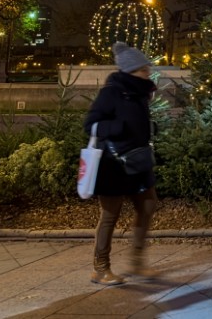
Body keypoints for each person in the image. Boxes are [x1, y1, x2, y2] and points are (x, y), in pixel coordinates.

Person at [83, 42, 159, 285]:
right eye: (143, 69)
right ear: (131, 71)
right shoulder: (112, 92)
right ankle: (100, 268)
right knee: (109, 215)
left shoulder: (139, 94)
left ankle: (137, 262)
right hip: (113, 163)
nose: (148, 72)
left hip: (138, 162)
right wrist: (119, 128)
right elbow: (91, 124)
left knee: (148, 205)